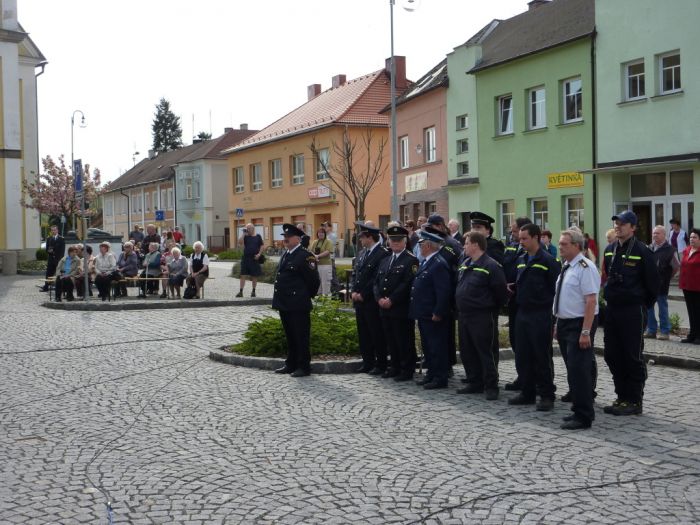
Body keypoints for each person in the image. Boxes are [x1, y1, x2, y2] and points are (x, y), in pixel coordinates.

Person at [602, 211, 659, 416]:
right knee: (612, 354)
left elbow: (654, 284)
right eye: (616, 223)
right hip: (613, 309)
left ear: (633, 227)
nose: (618, 226)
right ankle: (621, 396)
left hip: (633, 310)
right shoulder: (610, 250)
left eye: (623, 223)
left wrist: (641, 305)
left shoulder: (642, 251)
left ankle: (634, 400)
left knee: (632, 356)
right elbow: (607, 275)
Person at [508, 223, 561, 411]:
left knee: (541, 356)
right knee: (523, 355)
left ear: (536, 238)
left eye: (524, 239)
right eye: (519, 238)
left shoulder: (548, 261)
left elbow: (556, 290)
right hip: (522, 312)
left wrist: (554, 318)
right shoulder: (521, 258)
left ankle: (546, 395)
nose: (520, 242)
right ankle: (527, 392)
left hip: (541, 313)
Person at [554, 228, 600, 430]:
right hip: (565, 323)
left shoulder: (585, 267)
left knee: (579, 370)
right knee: (572, 370)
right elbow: (563, 297)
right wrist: (557, 322)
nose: (560, 247)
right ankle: (577, 409)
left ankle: (584, 416)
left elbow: (590, 301)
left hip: (579, 324)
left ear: (577, 246)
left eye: (564, 244)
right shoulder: (567, 266)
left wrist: (585, 331)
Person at [455, 231, 507, 400]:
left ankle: (491, 385)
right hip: (464, 315)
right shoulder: (465, 263)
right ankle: (474, 381)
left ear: (475, 245)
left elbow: (500, 292)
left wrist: (490, 308)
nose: (464, 246)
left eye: (466, 243)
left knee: (485, 351)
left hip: (482, 315)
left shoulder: (491, 265)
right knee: (467, 350)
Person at [273, 223, 320, 377]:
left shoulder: (305, 256)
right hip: (285, 303)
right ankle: (291, 363)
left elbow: (314, 281)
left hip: (298, 304)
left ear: (298, 239)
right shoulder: (287, 254)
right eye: (284, 237)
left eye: (288, 237)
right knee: (290, 335)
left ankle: (303, 366)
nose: (285, 239)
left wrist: (304, 296)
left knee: (300, 336)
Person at [373, 226, 419, 381]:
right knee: (390, 339)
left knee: (403, 339)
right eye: (392, 240)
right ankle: (395, 366)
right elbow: (377, 282)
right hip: (384, 307)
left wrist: (392, 300)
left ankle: (407, 369)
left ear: (405, 241)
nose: (395, 243)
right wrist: (379, 298)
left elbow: (407, 283)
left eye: (398, 240)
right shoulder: (385, 260)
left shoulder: (411, 260)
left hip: (400, 307)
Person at [409, 229, 452, 389]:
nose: (419, 247)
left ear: (428, 245)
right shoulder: (428, 261)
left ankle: (440, 377)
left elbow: (443, 291)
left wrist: (438, 311)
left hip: (432, 313)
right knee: (428, 345)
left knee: (436, 346)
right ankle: (431, 373)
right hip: (424, 312)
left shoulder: (439, 264)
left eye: (421, 244)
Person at [351, 222, 389, 374]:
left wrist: (363, 294)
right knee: (364, 333)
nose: (360, 240)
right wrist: (353, 291)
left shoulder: (382, 253)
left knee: (376, 333)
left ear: (370, 237)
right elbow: (356, 274)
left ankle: (380, 364)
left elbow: (376, 278)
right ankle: (367, 362)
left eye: (362, 237)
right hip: (359, 301)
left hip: (371, 300)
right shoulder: (362, 253)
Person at [503, 217, 532, 391]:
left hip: (527, 304)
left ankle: (535, 380)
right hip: (513, 302)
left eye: (515, 231)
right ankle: (522, 376)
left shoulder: (535, 253)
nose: (512, 235)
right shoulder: (512, 247)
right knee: (516, 341)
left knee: (530, 345)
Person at [644, 226, 680, 341]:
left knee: (662, 308)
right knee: (648, 308)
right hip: (649, 284)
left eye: (657, 233)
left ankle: (665, 332)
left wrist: (667, 277)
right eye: (654, 233)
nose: (655, 235)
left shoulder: (670, 250)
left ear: (664, 235)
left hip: (661, 284)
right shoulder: (648, 248)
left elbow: (676, 267)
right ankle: (651, 330)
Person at [679, 228, 700, 344]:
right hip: (687, 286)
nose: (692, 239)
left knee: (698, 312)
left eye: (695, 237)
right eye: (691, 237)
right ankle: (692, 335)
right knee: (691, 312)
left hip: (698, 287)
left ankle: (699, 336)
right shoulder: (687, 250)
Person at [236, 224, 264, 298]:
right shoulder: (245, 236)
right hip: (246, 258)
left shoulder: (258, 236)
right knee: (243, 275)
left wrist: (259, 254)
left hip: (254, 258)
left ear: (253, 229)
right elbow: (239, 242)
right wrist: (243, 234)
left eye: (249, 228)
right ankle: (241, 291)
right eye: (246, 228)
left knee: (254, 276)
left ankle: (253, 291)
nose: (247, 229)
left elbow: (261, 246)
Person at [42, 225, 65, 292]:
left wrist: (60, 259)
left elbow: (62, 251)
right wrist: (49, 251)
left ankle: (61, 287)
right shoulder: (49, 239)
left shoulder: (61, 239)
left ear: (57, 230)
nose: (53, 231)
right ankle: (46, 287)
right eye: (52, 230)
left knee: (59, 274)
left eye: (54, 230)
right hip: (51, 259)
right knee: (48, 273)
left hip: (58, 259)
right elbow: (47, 249)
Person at [311, 227, 333, 295]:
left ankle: (326, 301)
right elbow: (311, 251)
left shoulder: (328, 241)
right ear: (317, 234)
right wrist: (314, 256)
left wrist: (318, 256)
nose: (321, 234)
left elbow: (328, 251)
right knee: (318, 284)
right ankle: (319, 301)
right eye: (319, 232)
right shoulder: (315, 242)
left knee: (325, 284)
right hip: (316, 265)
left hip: (325, 265)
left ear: (325, 234)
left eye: (322, 232)